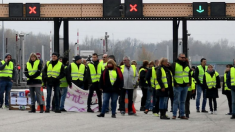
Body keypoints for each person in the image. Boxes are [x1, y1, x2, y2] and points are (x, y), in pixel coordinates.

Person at [171, 53, 191, 120]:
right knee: (176, 101)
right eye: (182, 57)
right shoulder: (175, 64)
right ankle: (174, 114)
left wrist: (189, 82)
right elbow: (172, 75)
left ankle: (182, 114)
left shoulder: (187, 65)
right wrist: (175, 83)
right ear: (178, 57)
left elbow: (189, 74)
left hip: (185, 85)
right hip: (178, 85)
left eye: (184, 57)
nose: (183, 58)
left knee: (183, 101)